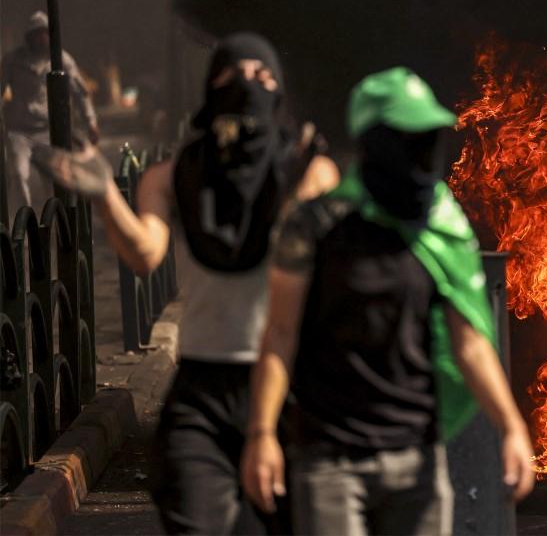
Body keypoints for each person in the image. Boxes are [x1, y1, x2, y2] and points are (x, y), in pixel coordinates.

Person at [34, 33, 339, 534]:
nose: (249, 85)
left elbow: (299, 251)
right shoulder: (174, 175)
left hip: (292, 387)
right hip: (204, 391)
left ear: (280, 92)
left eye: (263, 78)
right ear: (212, 87)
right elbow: (145, 253)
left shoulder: (309, 169)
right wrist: (106, 194)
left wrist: (291, 187)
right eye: (235, 75)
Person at [240, 67, 535, 535]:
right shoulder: (315, 227)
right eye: (407, 138)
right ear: (374, 141)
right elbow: (279, 334)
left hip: (417, 456)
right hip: (330, 458)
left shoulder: (440, 225)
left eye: (427, 139)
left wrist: (511, 427)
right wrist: (260, 435)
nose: (420, 154)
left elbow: (471, 343)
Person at [2, 10, 99, 211]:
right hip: (20, 131)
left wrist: (90, 121)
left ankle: (55, 226)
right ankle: (26, 226)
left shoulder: (62, 60)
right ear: (29, 37)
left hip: (50, 130)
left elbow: (80, 93)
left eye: (44, 33)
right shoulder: (13, 60)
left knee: (54, 183)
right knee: (18, 174)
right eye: (36, 33)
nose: (41, 38)